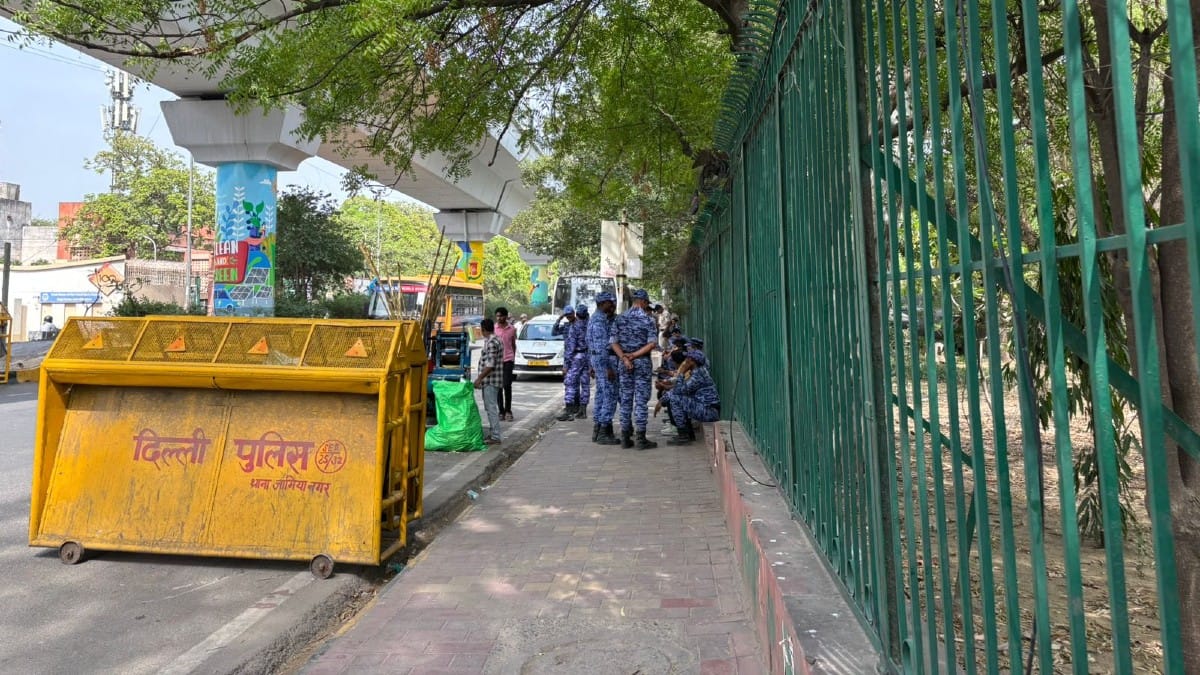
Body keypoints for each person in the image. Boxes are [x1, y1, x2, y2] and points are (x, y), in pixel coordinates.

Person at [611, 288, 659, 450]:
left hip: (624, 364)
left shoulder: (620, 319)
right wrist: (634, 355)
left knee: (625, 400)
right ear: (644, 302)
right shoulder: (648, 320)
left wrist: (624, 357)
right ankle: (640, 438)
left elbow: (613, 342)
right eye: (647, 303)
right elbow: (652, 343)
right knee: (641, 401)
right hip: (642, 363)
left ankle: (625, 438)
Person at [655, 350, 721, 445]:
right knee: (675, 398)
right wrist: (662, 400)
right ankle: (688, 434)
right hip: (705, 408)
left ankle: (683, 436)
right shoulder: (697, 371)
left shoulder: (698, 375)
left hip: (709, 411)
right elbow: (679, 391)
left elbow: (679, 391)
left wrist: (681, 373)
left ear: (693, 361)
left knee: (675, 399)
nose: (685, 361)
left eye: (687, 359)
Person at [586, 291, 621, 445]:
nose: (612, 305)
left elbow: (589, 344)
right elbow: (600, 347)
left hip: (597, 360)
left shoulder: (596, 319)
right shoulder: (599, 322)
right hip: (603, 360)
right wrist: (607, 368)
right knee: (610, 395)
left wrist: (592, 365)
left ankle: (598, 428)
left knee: (601, 394)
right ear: (602, 303)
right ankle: (604, 432)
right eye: (609, 302)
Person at [473, 318, 504, 445]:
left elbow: (490, 364)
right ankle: (493, 433)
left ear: (483, 329)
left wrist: (479, 378)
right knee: (491, 407)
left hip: (491, 380)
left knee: (491, 408)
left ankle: (495, 436)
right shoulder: (497, 339)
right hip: (494, 379)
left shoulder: (491, 342)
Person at [552, 305, 579, 420]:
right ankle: (572, 405)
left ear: (574, 313)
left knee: (574, 381)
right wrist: (559, 319)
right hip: (568, 355)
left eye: (570, 315)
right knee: (570, 381)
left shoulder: (579, 325)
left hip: (577, 355)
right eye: (567, 316)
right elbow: (554, 332)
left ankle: (575, 406)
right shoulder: (566, 325)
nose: (568, 317)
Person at [493, 307, 518, 420]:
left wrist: (513, 357)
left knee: (507, 385)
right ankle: (501, 411)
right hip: (497, 361)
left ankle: (508, 410)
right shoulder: (494, 328)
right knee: (498, 387)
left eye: (501, 316)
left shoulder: (512, 329)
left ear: (506, 316)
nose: (499, 318)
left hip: (508, 360)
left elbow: (513, 345)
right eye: (497, 316)